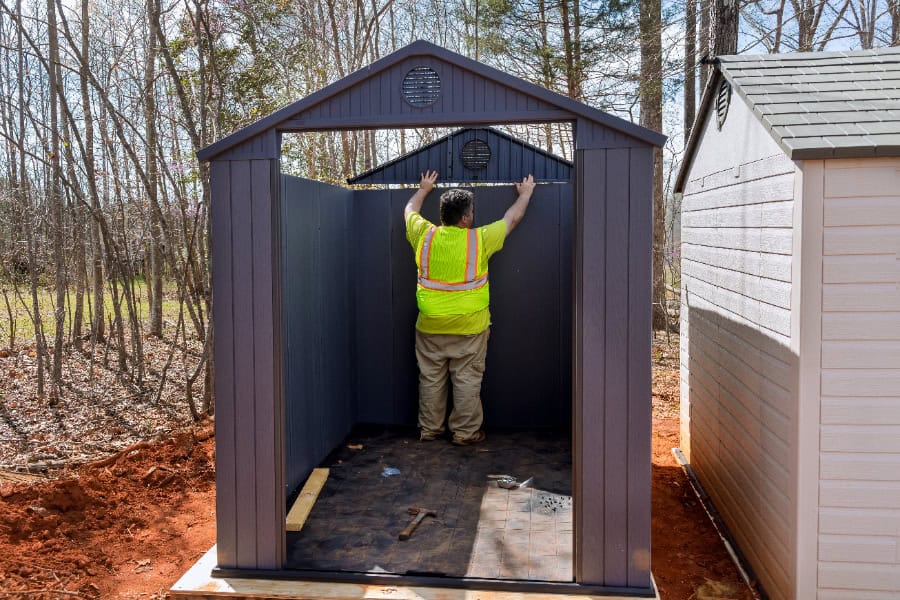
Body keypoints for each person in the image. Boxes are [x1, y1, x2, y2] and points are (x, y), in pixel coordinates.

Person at [404, 170, 535, 445]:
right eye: (472, 211)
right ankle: (465, 434)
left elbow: (409, 210)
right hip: (470, 329)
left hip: (430, 326)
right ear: (465, 218)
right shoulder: (479, 239)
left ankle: (430, 430)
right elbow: (513, 219)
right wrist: (526, 194)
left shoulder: (424, 236)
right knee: (466, 380)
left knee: (431, 379)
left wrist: (424, 189)